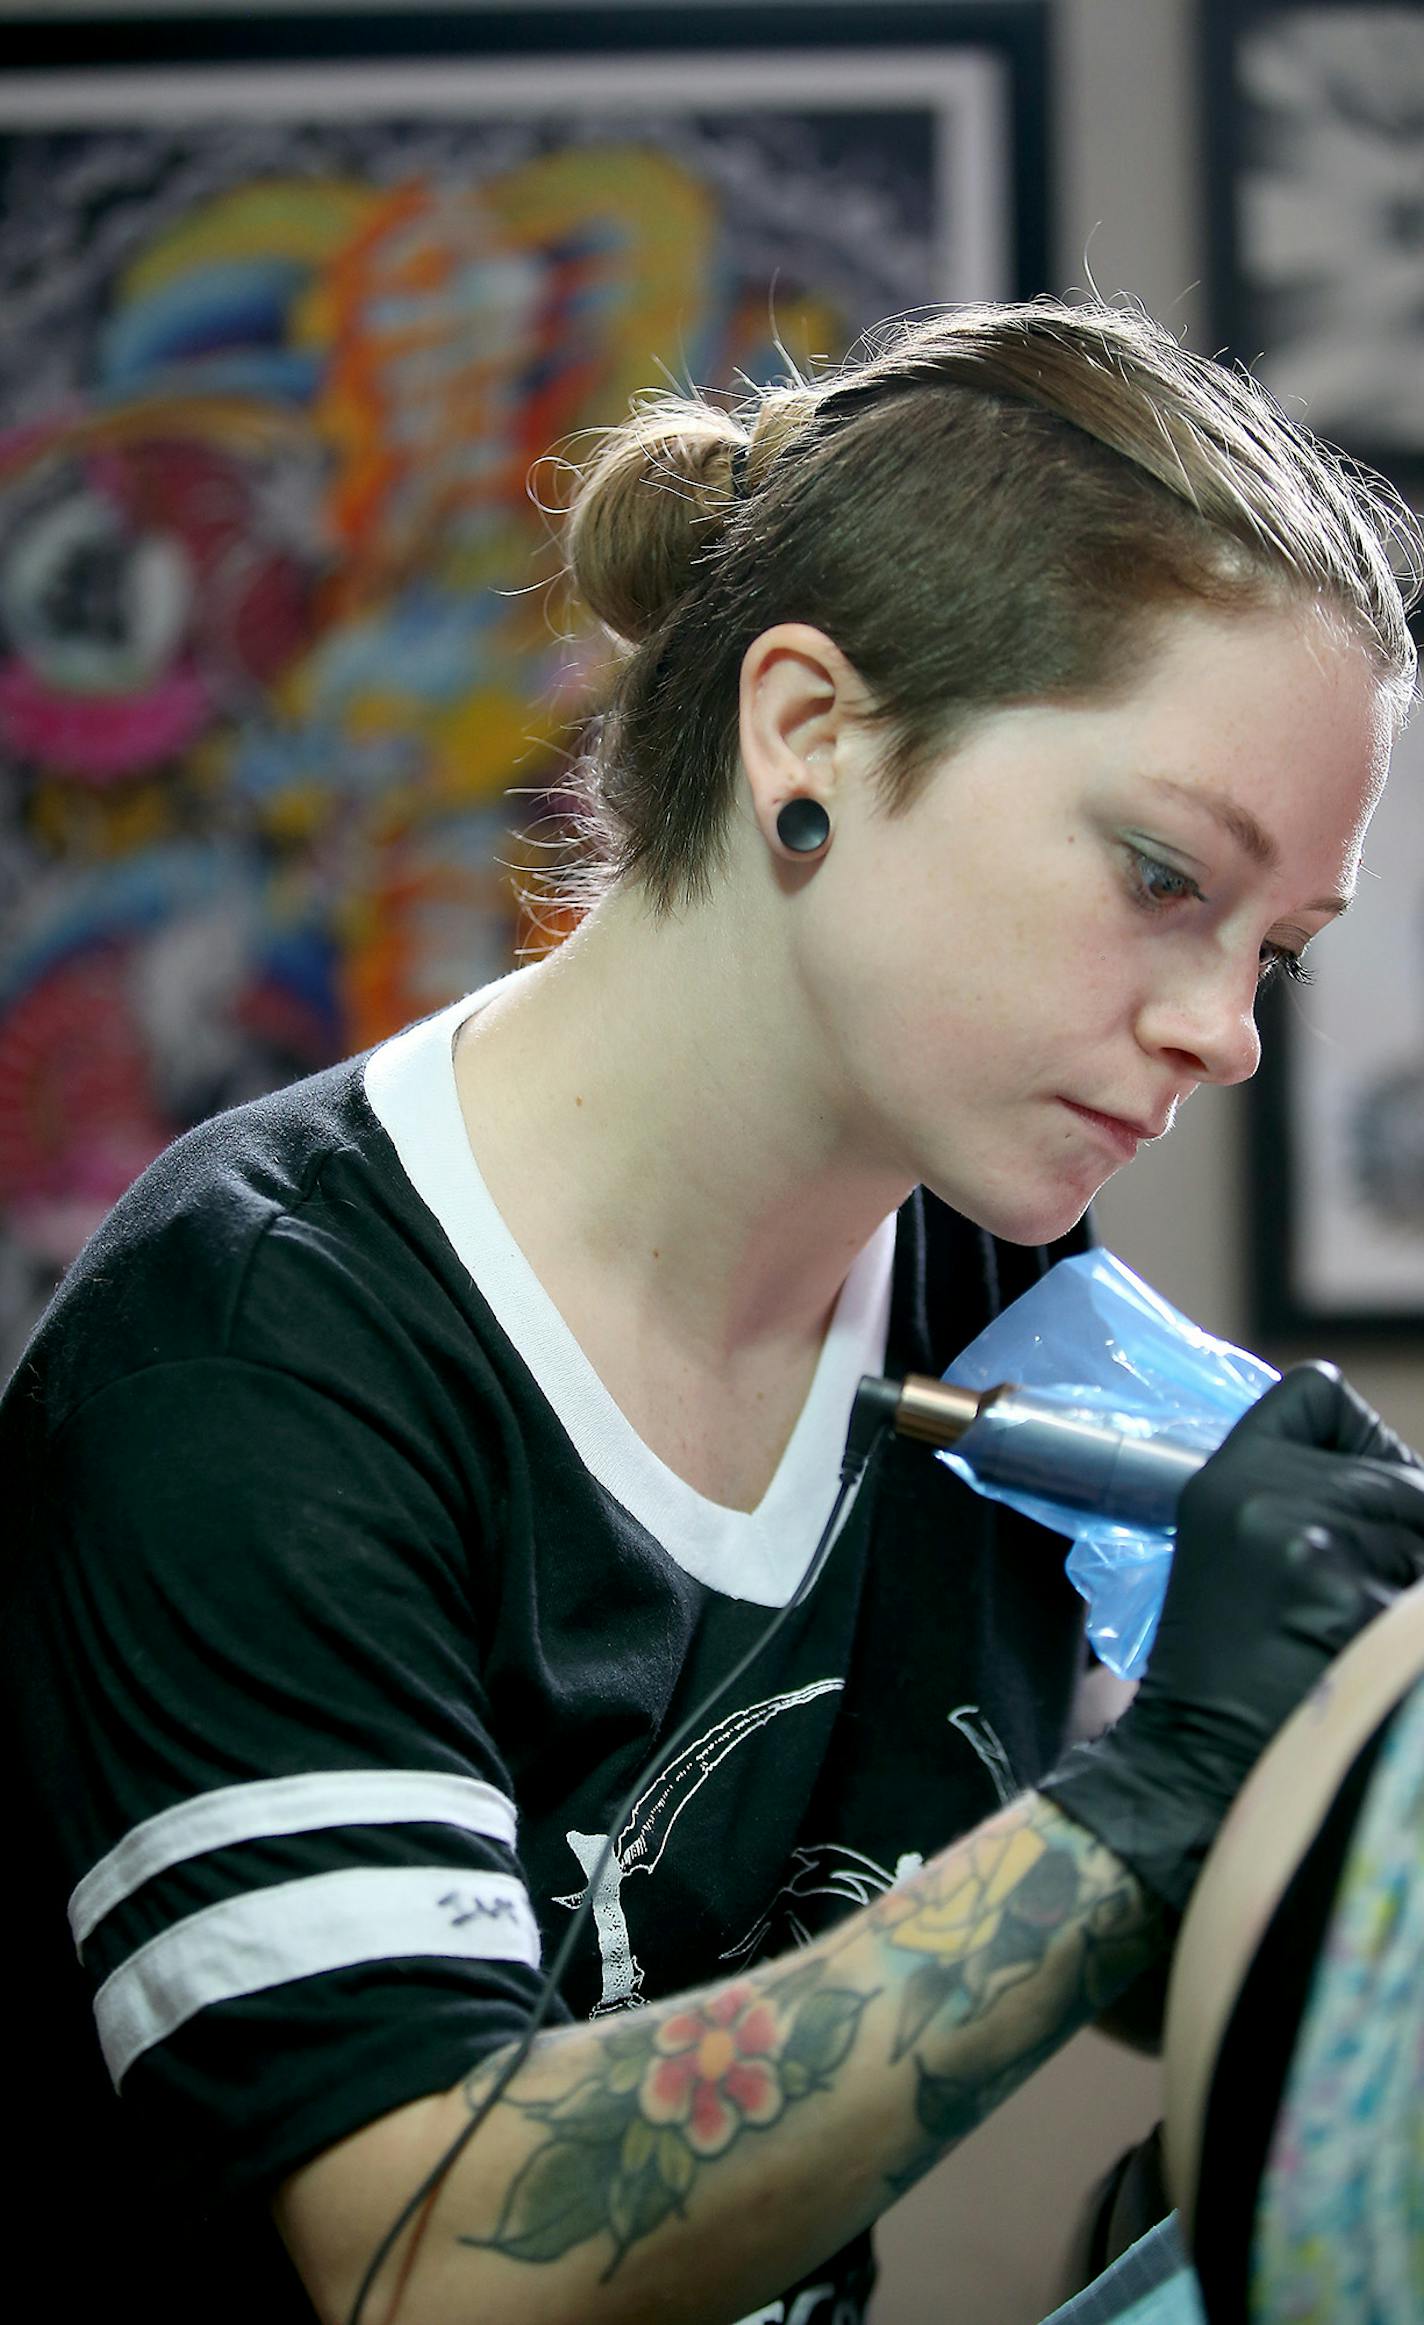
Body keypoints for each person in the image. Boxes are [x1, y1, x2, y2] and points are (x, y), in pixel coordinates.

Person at [4, 297, 1424, 2325]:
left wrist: (1354, 1774)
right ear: (810, 731)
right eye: (1156, 874)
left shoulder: (998, 1307)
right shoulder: (254, 1355)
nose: (1221, 1030)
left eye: (1273, 951)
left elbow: (1171, 1932)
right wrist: (1161, 1799)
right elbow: (424, 2255)